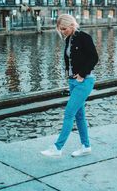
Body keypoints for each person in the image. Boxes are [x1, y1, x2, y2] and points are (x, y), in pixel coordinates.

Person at [41, 14, 99, 158]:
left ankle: (57, 148)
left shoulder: (84, 37)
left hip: (84, 81)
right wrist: (70, 76)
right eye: (60, 29)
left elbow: (94, 57)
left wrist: (82, 74)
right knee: (79, 115)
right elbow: (71, 60)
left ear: (72, 25)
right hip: (73, 82)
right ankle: (86, 146)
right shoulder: (69, 39)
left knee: (69, 113)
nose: (62, 31)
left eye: (64, 29)